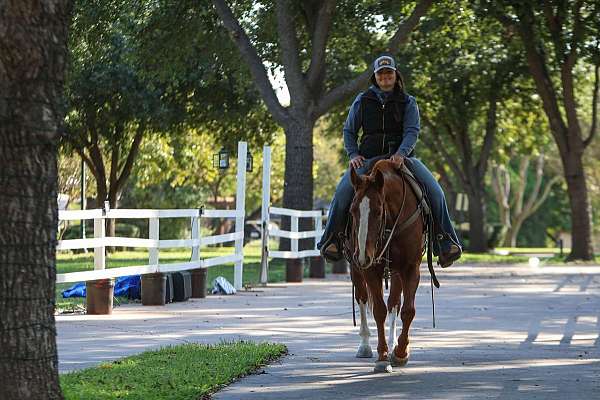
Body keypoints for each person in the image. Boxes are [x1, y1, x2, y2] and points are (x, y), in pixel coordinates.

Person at [317, 54, 462, 268]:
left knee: (435, 191)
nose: (385, 77)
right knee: (341, 193)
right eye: (381, 74)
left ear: (395, 75)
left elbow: (412, 131)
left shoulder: (408, 101)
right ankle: (332, 242)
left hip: (402, 159)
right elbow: (349, 130)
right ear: (375, 77)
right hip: (367, 159)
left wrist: (402, 153)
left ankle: (445, 242)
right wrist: (353, 155)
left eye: (389, 73)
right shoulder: (362, 100)